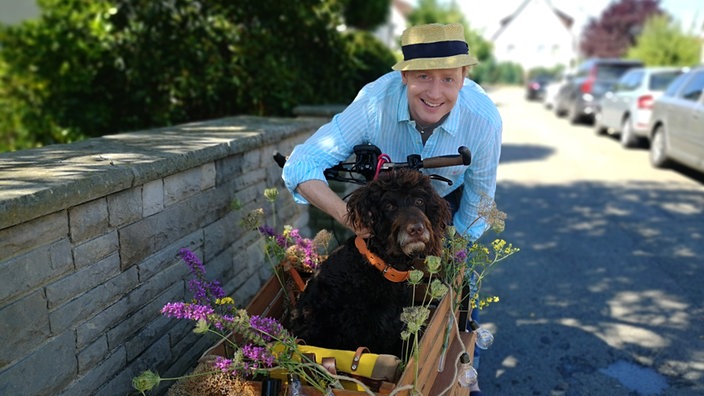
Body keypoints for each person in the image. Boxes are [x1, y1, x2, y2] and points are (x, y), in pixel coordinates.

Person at [282, 23, 501, 396]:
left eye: (448, 78)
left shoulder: (483, 120)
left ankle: (462, 377)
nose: (435, 92)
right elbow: (300, 165)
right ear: (404, 75)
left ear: (464, 76)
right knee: (365, 281)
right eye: (423, 77)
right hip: (382, 201)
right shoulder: (373, 102)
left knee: (459, 295)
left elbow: (480, 202)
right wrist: (350, 217)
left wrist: (447, 258)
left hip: (445, 200)